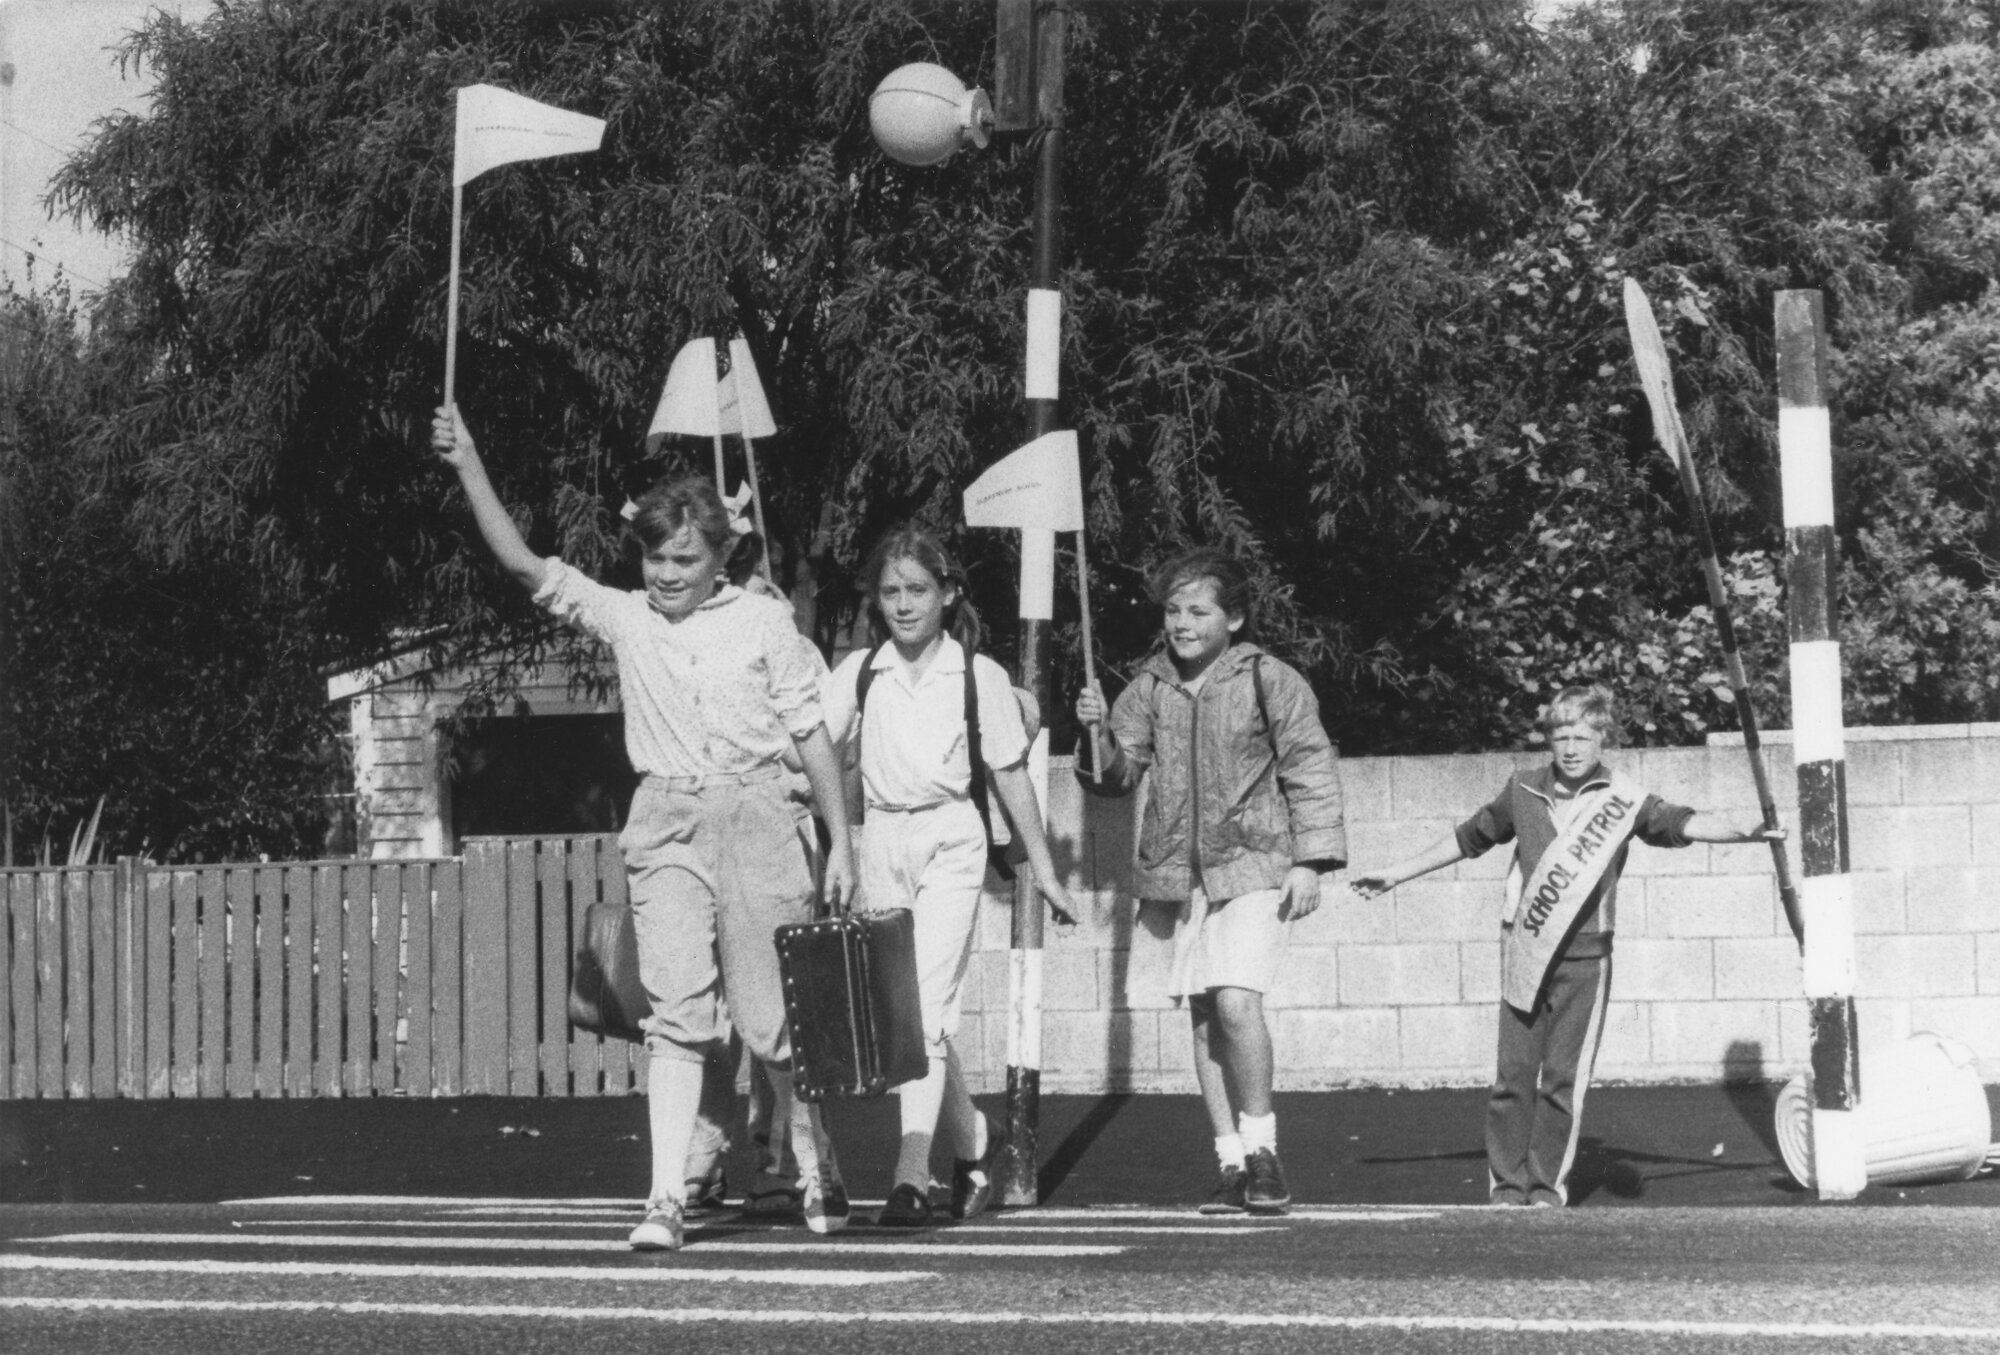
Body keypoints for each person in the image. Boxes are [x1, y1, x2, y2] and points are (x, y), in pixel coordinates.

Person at [431, 405, 854, 1252]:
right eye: (656, 557)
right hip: (665, 817)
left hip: (758, 814)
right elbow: (522, 564)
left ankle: (817, 1157)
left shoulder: (765, 622)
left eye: (685, 559)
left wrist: (842, 838)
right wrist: (469, 458)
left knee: (772, 1021)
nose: (666, 574)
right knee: (676, 1014)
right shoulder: (625, 616)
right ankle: (664, 1196)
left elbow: (810, 733)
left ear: (722, 556)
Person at [1349, 682, 1781, 1207]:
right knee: (1512, 1079)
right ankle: (1507, 1189)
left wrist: (1747, 833)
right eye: (1560, 737)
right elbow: (1468, 839)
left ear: (1602, 740)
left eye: (1581, 736)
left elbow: (1680, 823)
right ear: (1548, 742)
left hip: (1586, 961)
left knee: (1561, 1082)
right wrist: (1395, 874)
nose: (1571, 748)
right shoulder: (1523, 790)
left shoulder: (1622, 800)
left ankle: (1545, 1188)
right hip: (1526, 951)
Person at [1075, 547, 1346, 1216]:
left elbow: (1309, 764)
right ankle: (1230, 1164)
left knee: (1234, 1001)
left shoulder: (1268, 677)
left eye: (1199, 610)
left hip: (1254, 864)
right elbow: (1116, 777)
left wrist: (1310, 859)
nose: (1183, 623)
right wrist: (1096, 735)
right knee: (1202, 1018)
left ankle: (1264, 1151)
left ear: (1235, 616)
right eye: (1173, 610)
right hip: (1175, 874)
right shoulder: (1149, 685)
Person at [821, 526, 1078, 1227]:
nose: (904, 604)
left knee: (925, 1010)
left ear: (948, 594)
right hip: (882, 838)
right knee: (906, 1014)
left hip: (952, 837)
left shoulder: (977, 674)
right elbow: (812, 751)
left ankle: (911, 1175)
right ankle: (973, 1139)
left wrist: (1043, 871)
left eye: (918, 590)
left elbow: (1008, 773)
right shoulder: (859, 671)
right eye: (891, 590)